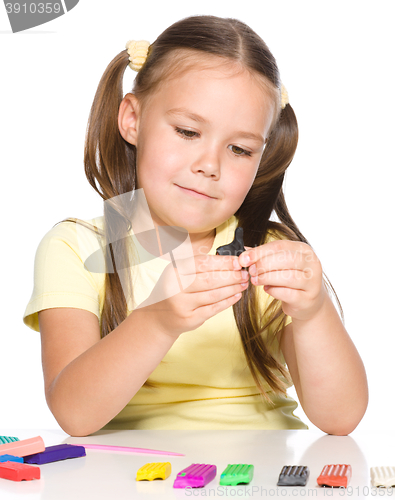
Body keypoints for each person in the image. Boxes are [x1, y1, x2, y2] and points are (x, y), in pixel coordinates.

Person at [23, 15, 368, 437]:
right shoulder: (75, 247)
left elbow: (340, 418)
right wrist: (157, 320)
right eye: (188, 131)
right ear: (132, 119)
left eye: (240, 149)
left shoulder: (270, 252)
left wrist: (313, 313)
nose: (209, 165)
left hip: (264, 472)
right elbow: (73, 415)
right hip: (129, 476)